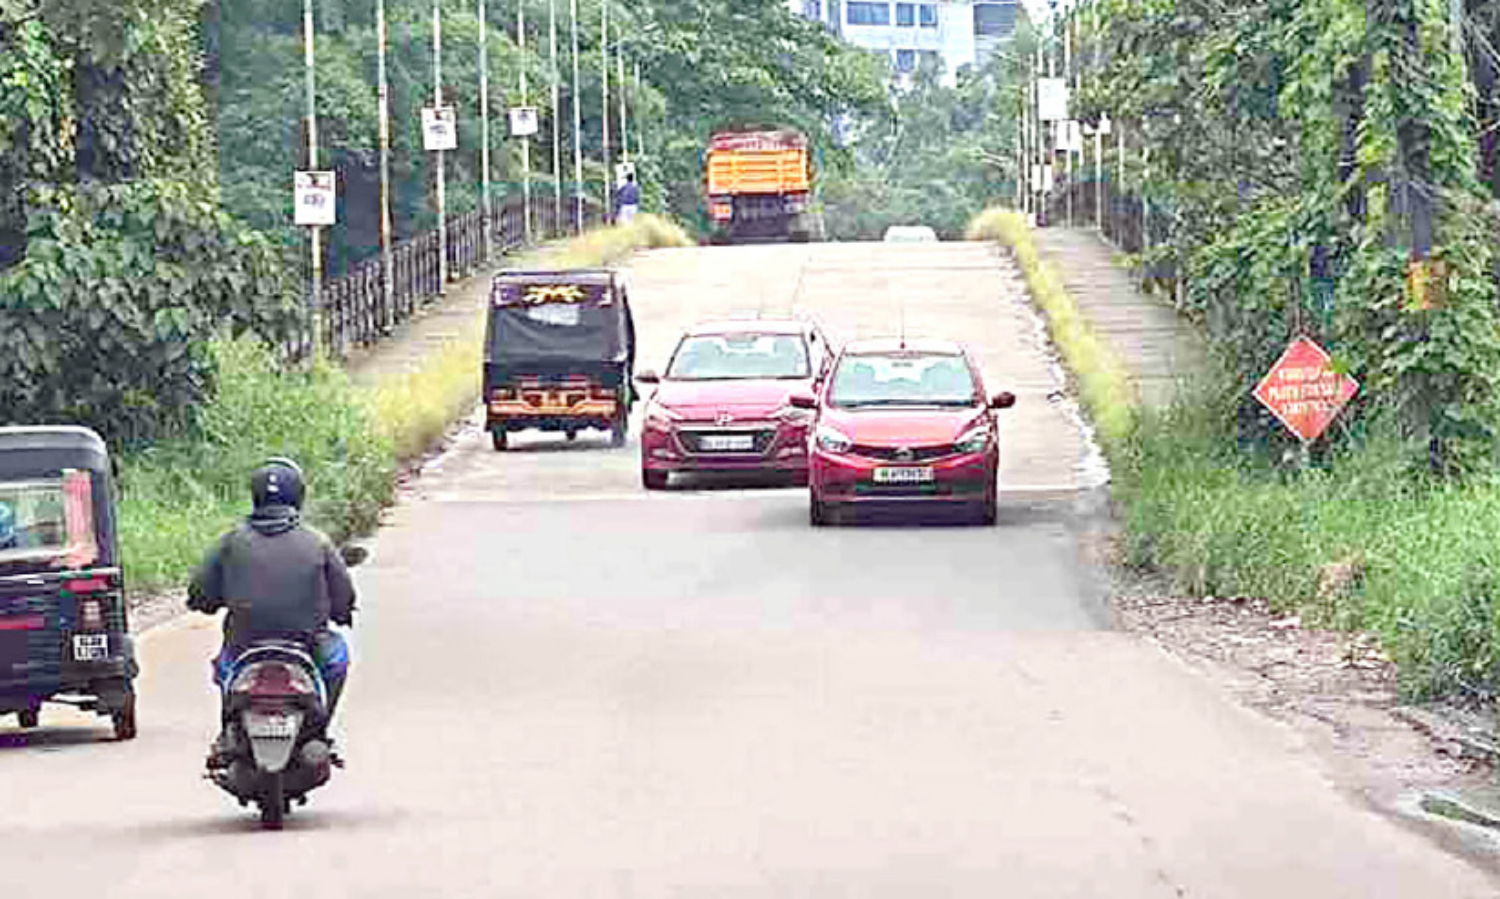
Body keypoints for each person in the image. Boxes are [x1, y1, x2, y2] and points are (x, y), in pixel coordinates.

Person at [188, 457, 355, 763]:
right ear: (298, 496)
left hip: (243, 645)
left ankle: (228, 734)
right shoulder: (317, 542)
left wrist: (207, 603)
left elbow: (200, 592)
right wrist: (342, 612)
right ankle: (318, 731)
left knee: (224, 670)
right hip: (308, 645)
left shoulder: (231, 541)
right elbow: (344, 595)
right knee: (338, 658)